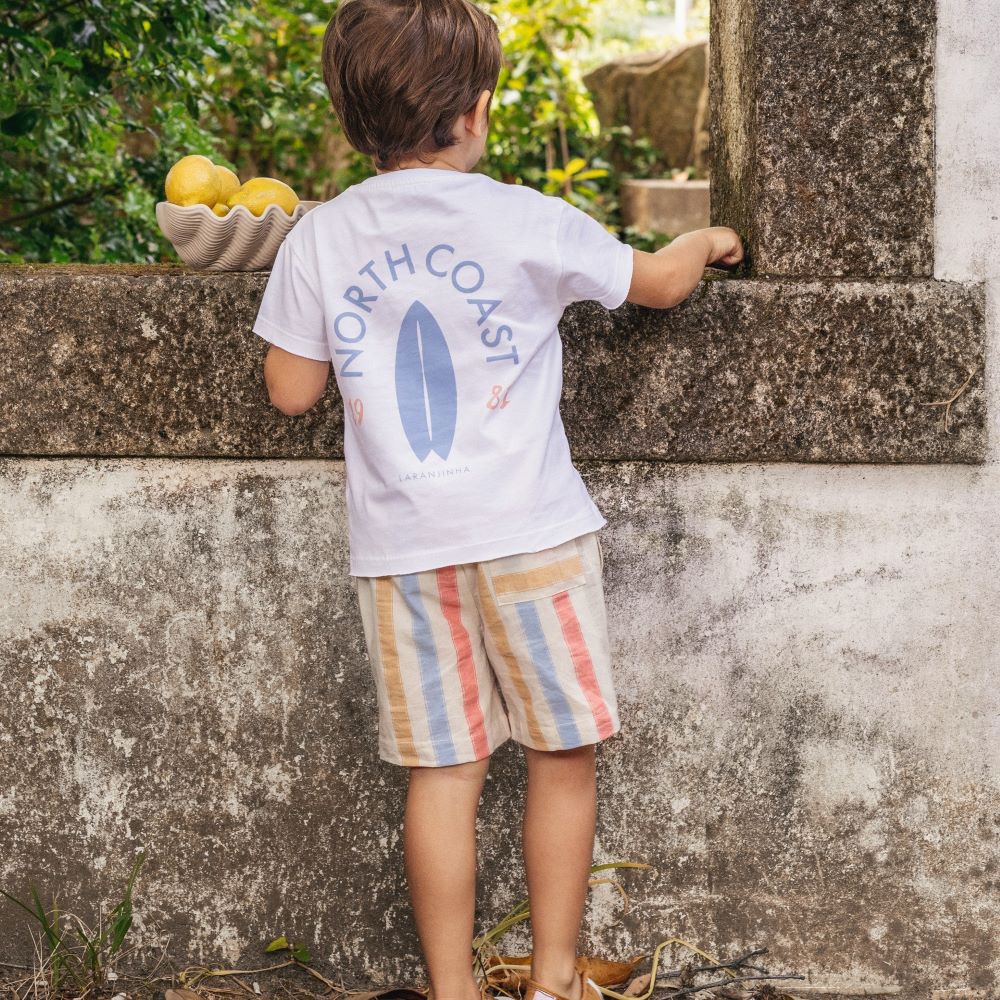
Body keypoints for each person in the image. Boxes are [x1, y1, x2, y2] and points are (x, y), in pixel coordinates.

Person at [251, 3, 744, 1000]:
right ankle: (556, 980)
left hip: (402, 550)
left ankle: (453, 990)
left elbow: (291, 388)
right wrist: (710, 240)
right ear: (476, 110)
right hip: (532, 539)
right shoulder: (522, 215)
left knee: (443, 774)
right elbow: (651, 282)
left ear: (352, 115)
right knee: (561, 756)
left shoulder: (321, 235)